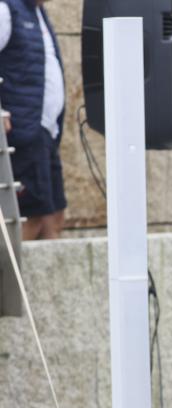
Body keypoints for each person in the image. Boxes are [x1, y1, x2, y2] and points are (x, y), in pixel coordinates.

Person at [0, 0, 66, 240]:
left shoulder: (38, 13)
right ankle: (11, 276)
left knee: (54, 216)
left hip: (46, 131)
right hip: (22, 133)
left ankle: (51, 278)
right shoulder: (7, 9)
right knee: (30, 218)